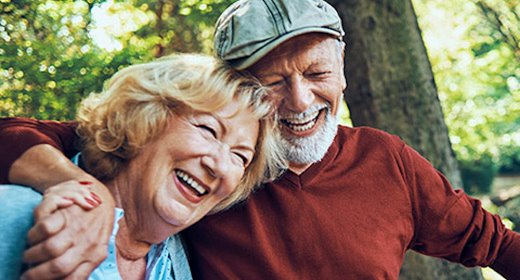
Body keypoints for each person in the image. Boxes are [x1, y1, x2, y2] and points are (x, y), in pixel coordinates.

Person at [1, 0, 519, 279]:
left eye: (317, 73)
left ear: (342, 73)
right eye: (272, 82)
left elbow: (493, 243)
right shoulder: (194, 169)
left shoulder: (387, 161)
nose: (298, 101)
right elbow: (58, 136)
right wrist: (78, 190)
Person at [0, 53, 286, 279]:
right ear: (144, 119)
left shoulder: (180, 262)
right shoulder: (18, 216)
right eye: (208, 130)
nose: (221, 167)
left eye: (240, 156)